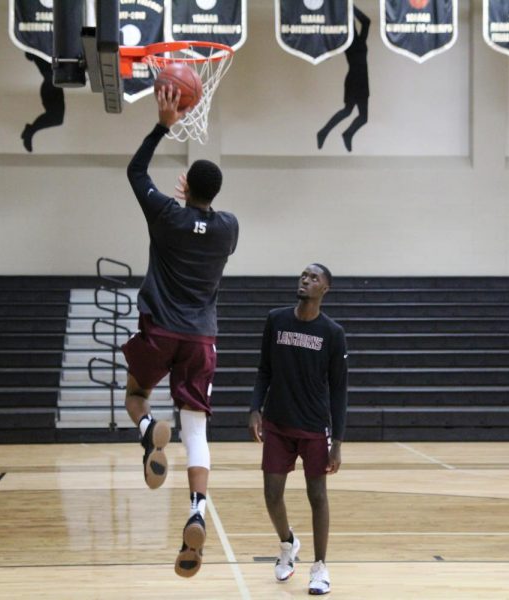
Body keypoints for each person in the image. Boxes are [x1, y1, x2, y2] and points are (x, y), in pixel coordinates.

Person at [122, 86, 240, 577]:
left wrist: (163, 123)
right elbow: (206, 223)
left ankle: (150, 432)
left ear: (185, 185)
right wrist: (194, 206)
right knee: (198, 430)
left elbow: (135, 172)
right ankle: (195, 510)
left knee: (135, 395)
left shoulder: (167, 215)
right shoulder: (230, 227)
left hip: (159, 329)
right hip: (201, 339)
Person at [248, 264, 348, 595]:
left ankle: (320, 567)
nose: (306, 280)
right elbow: (264, 369)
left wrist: (338, 441)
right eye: (304, 275)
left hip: (314, 426)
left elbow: (339, 390)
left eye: (314, 278)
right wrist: (254, 408)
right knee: (272, 493)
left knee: (317, 495)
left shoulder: (332, 333)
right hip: (277, 422)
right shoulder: (276, 319)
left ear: (325, 289)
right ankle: (287, 545)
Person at [316, 5, 370, 152]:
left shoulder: (361, 39)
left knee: (363, 117)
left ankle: (347, 133)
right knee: (348, 111)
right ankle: (324, 132)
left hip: (363, 79)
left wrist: (351, 7)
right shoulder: (345, 41)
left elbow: (366, 21)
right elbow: (331, 51)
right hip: (354, 78)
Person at [21, 53, 66, 153]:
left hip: (50, 86)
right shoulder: (39, 51)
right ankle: (30, 131)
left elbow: (29, 55)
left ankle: (30, 131)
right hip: (52, 85)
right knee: (57, 118)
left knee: (57, 118)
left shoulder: (40, 50)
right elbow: (29, 55)